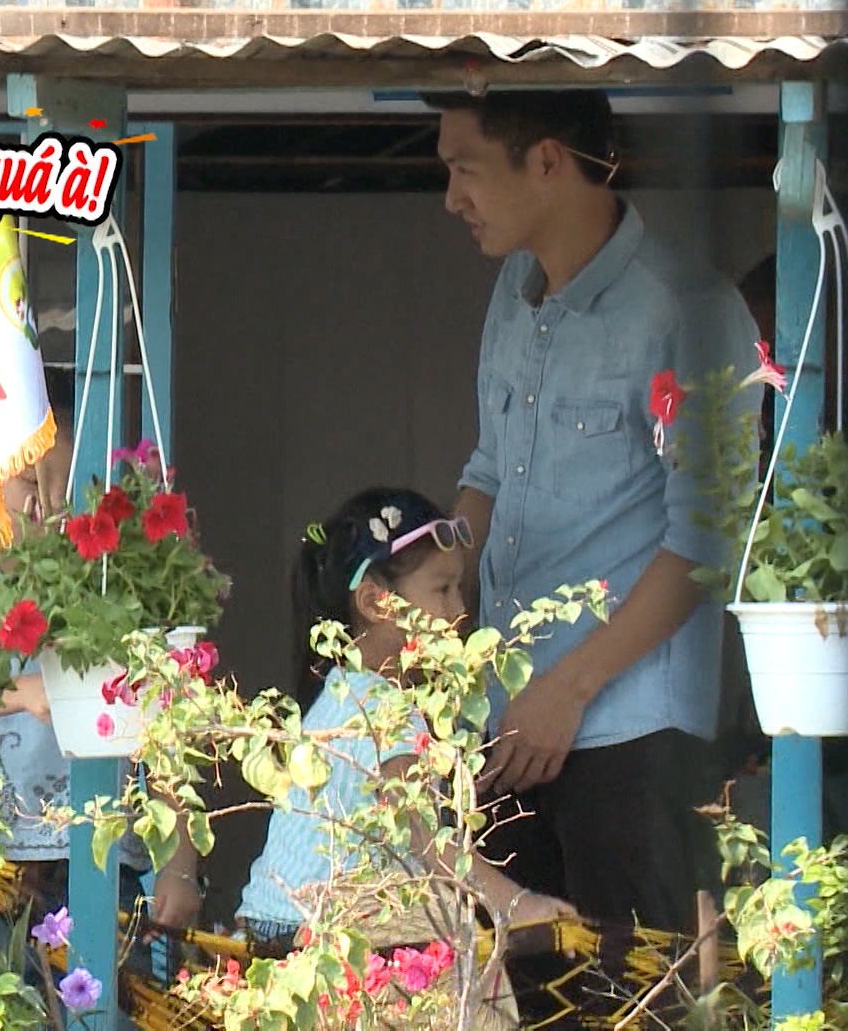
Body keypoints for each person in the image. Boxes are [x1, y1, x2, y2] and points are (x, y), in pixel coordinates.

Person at [433, 88, 761, 943]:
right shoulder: (513, 290)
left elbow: (708, 541)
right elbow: (487, 471)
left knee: (629, 984)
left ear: (546, 161)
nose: (452, 198)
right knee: (504, 981)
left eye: (466, 169)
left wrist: (571, 687)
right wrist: (428, 596)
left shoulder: (688, 308)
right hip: (509, 717)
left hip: (631, 732)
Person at [0, 368, 202, 1025]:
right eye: (32, 484)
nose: (50, 505)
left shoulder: (118, 582)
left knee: (102, 1017)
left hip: (101, 858)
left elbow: (168, 729)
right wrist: (15, 692)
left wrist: (179, 864)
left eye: (70, 485)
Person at [235, 490, 575, 1026]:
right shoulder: (385, 709)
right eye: (442, 590)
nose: (459, 611)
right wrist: (514, 904)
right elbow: (426, 842)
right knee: (453, 935)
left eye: (458, 589)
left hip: (269, 925)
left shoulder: (343, 691)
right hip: (315, 936)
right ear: (376, 603)